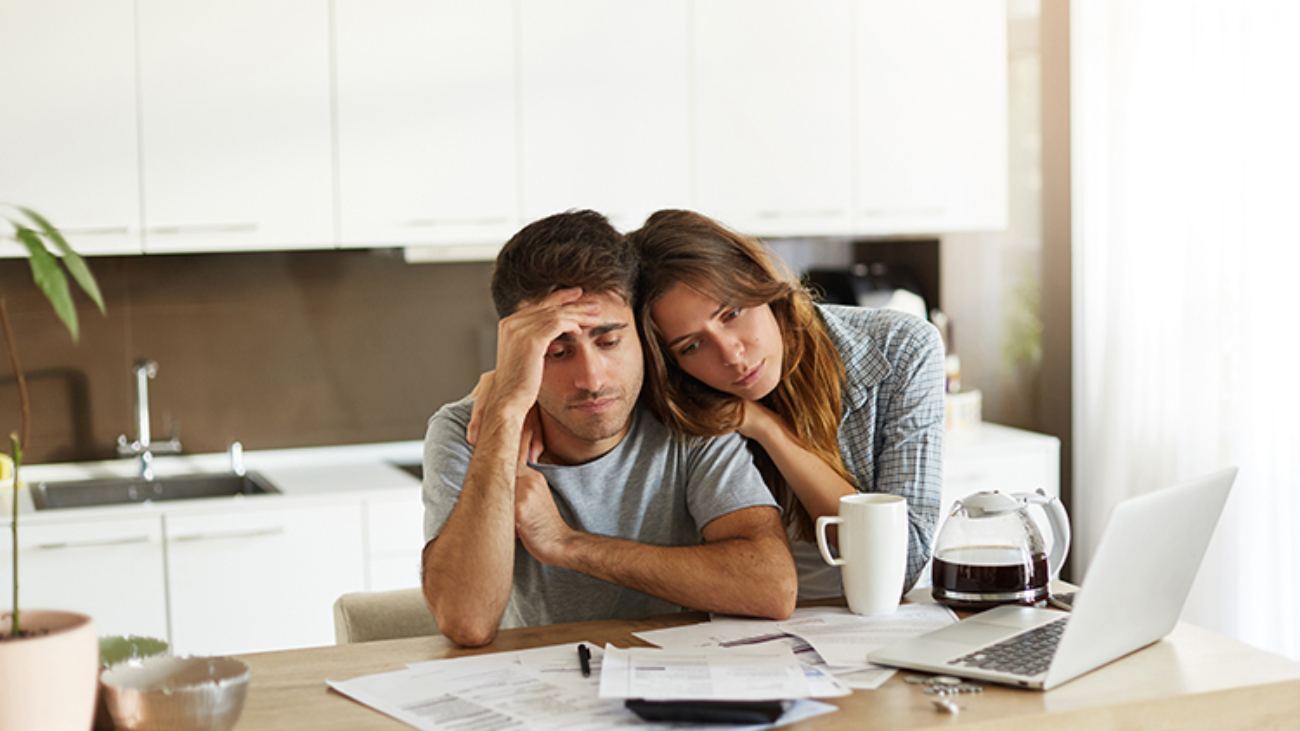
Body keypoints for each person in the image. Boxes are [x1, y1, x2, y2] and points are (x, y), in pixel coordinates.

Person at [420, 210, 797, 647]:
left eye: (609, 341)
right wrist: (505, 412)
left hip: (681, 682)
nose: (593, 379)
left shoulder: (686, 413)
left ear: (641, 332)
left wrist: (567, 544)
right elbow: (467, 621)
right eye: (556, 352)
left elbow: (772, 585)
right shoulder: (467, 429)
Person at [628, 209, 945, 600]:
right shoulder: (676, 397)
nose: (731, 354)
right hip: (730, 629)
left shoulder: (901, 349)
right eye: (692, 345)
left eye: (732, 314)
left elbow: (902, 563)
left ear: (761, 283)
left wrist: (767, 429)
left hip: (856, 625)